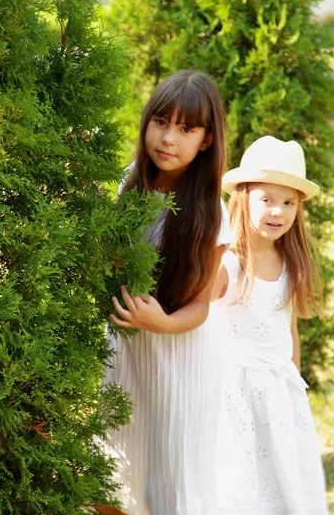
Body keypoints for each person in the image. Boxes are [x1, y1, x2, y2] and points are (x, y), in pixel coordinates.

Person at [100, 70, 231, 515]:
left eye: (186, 128)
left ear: (206, 140)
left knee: (171, 480)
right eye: (160, 121)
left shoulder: (212, 210)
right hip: (128, 347)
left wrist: (163, 323)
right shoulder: (130, 180)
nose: (168, 138)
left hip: (182, 352)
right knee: (112, 470)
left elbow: (201, 305)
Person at [211, 135, 328, 514]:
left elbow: (288, 329)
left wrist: (292, 385)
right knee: (242, 481)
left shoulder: (290, 261)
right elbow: (197, 314)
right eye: (267, 199)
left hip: (278, 392)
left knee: (285, 475)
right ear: (244, 197)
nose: (277, 211)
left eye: (288, 202)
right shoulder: (230, 263)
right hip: (235, 395)